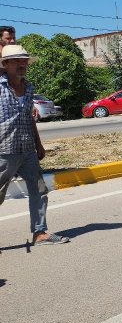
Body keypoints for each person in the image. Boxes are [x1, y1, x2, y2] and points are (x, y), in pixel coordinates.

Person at [0, 45, 68, 246]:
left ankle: (40, 233)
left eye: (24, 61)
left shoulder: (28, 88)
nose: (22, 64)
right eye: (16, 61)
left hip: (27, 149)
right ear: (5, 64)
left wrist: (38, 144)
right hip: (4, 150)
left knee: (39, 189)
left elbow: (30, 118)